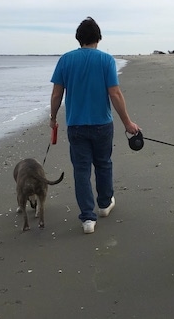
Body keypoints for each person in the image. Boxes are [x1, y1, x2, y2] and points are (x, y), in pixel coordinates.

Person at [49, 17, 140, 234]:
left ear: (79, 38)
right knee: (103, 164)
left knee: (81, 170)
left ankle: (87, 219)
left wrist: (53, 118)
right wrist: (127, 122)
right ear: (98, 38)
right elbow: (115, 93)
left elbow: (56, 94)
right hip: (102, 123)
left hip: (76, 125)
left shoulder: (65, 60)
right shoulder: (106, 60)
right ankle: (104, 203)